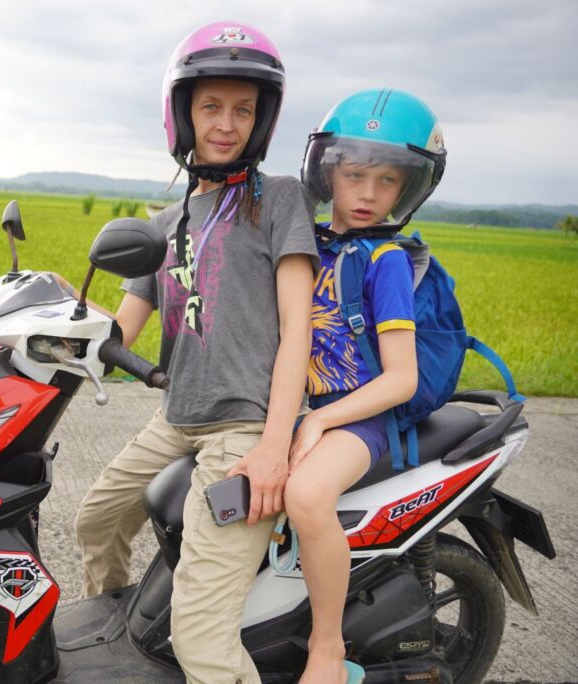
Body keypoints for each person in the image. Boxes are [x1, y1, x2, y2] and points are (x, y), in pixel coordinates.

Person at [68, 21, 317, 684]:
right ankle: (115, 646)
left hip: (245, 428)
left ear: (261, 121)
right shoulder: (165, 225)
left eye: (243, 110)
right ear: (183, 114)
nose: (226, 124)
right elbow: (121, 332)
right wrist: (66, 304)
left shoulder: (280, 200)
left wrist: (275, 445)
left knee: (201, 633)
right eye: (211, 107)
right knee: (96, 521)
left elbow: (298, 329)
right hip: (176, 417)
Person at [287, 88, 448, 684]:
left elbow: (401, 378)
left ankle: (326, 647)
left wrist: (321, 418)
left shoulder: (387, 262)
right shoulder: (306, 245)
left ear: (407, 189)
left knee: (307, 495)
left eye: (387, 181)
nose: (369, 193)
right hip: (299, 406)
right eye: (355, 175)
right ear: (328, 173)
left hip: (360, 416)